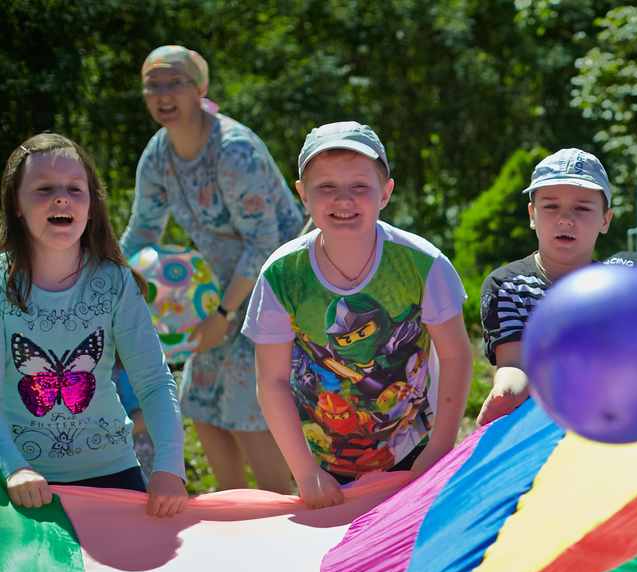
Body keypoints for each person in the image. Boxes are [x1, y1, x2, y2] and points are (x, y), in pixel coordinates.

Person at [243, 122, 472, 509]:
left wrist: (440, 447)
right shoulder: (281, 275)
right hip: (323, 461)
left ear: (386, 192)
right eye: (326, 187)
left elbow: (456, 356)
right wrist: (305, 472)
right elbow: (272, 381)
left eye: (359, 186)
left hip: (416, 448)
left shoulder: (423, 263)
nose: (343, 199)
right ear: (302, 194)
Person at [121, 45, 299, 494]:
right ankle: (232, 514)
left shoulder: (233, 150)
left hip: (275, 286)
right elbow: (141, 234)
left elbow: (265, 242)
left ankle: (282, 510)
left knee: (244, 406)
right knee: (197, 402)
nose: (163, 95)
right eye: (153, 86)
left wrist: (224, 314)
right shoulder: (158, 155)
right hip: (217, 294)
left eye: (175, 83)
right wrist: (103, 283)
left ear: (200, 88)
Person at [0, 134, 187, 517]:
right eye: (44, 189)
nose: (61, 198)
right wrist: (14, 467)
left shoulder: (115, 282)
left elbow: (154, 381)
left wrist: (170, 467)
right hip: (21, 481)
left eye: (74, 189)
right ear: (16, 204)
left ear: (91, 205)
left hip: (113, 474)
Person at [477, 148, 614, 426]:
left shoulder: (620, 290)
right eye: (551, 206)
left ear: (605, 220)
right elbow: (513, 364)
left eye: (582, 208)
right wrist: (506, 392)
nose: (565, 219)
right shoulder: (508, 286)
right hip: (537, 432)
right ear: (532, 214)